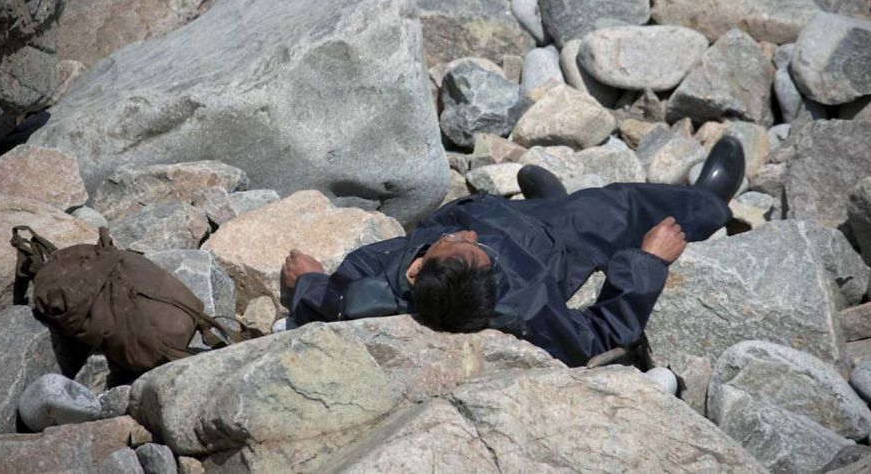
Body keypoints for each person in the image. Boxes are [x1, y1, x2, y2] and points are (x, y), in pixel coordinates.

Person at [282, 137, 745, 367]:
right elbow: (599, 335)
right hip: (559, 242)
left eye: (462, 245)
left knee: (515, 208)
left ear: (417, 267)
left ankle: (546, 201)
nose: (468, 237)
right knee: (616, 203)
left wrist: (306, 281)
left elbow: (330, 304)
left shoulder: (372, 279)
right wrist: (649, 261)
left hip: (499, 215)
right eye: (467, 245)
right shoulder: (523, 308)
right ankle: (709, 201)